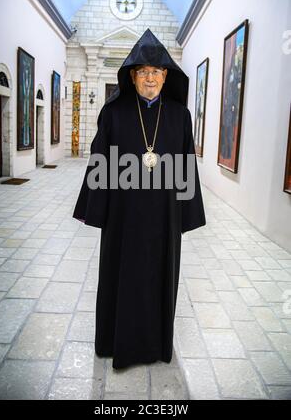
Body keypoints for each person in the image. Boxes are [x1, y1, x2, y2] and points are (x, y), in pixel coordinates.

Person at [72, 28, 206, 370]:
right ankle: (113, 342)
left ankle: (157, 344)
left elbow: (187, 166)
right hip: (123, 219)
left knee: (160, 279)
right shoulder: (114, 113)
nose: (150, 78)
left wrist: (187, 213)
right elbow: (99, 160)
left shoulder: (179, 116)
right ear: (132, 77)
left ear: (166, 76)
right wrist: (96, 209)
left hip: (165, 218)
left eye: (157, 72)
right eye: (143, 72)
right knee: (120, 278)